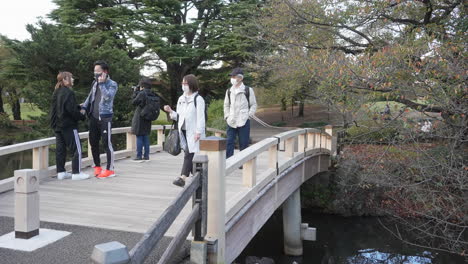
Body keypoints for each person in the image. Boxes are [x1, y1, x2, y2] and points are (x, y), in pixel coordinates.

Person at [163, 74, 206, 187]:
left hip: (194, 131)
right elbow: (179, 117)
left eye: (185, 83)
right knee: (189, 153)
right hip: (183, 131)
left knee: (189, 153)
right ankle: (196, 176)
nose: (183, 85)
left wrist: (198, 132)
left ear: (191, 84)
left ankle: (182, 177)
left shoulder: (198, 99)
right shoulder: (181, 99)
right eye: (182, 83)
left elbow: (201, 117)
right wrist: (170, 111)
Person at [81, 60, 118, 179]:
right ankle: (97, 166)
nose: (96, 74)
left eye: (98, 71)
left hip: (105, 117)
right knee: (93, 142)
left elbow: (107, 97)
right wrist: (83, 108)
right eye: (95, 71)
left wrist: (102, 84)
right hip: (93, 116)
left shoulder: (112, 84)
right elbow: (90, 97)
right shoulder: (95, 83)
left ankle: (110, 169)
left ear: (105, 72)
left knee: (107, 143)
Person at [50, 72, 89, 180]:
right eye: (71, 78)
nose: (73, 80)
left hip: (57, 126)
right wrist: (82, 114)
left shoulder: (56, 92)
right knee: (77, 148)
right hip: (69, 126)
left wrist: (77, 106)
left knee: (60, 149)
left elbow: (60, 108)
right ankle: (76, 173)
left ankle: (61, 172)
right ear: (65, 80)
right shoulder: (69, 92)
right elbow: (71, 111)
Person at [223, 67, 257, 158]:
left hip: (244, 121)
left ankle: (243, 163)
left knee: (244, 143)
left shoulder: (248, 90)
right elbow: (226, 105)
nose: (232, 78)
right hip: (231, 121)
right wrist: (227, 117)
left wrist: (249, 115)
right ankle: (229, 162)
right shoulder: (229, 91)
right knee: (229, 142)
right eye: (232, 77)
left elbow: (253, 105)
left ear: (240, 78)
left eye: (234, 77)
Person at [131, 77, 159, 161]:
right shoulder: (153, 93)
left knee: (139, 136)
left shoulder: (142, 93)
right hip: (148, 117)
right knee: (146, 136)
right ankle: (146, 155)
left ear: (142, 86)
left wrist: (135, 92)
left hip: (140, 117)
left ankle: (139, 155)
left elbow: (133, 102)